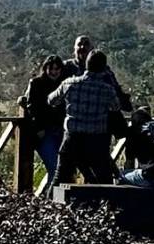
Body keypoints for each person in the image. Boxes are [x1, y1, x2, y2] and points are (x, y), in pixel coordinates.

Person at [47, 49, 119, 184]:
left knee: (60, 176)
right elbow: (115, 107)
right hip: (96, 140)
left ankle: (49, 198)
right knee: (104, 179)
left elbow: (51, 100)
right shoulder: (107, 90)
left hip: (72, 138)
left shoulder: (70, 83)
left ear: (87, 64)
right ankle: (103, 198)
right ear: (103, 68)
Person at [18, 55, 66, 183]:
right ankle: (51, 194)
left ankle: (51, 193)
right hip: (44, 132)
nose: (54, 72)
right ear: (45, 69)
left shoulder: (65, 84)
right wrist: (39, 128)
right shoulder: (36, 83)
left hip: (61, 131)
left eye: (57, 69)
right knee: (54, 166)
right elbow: (32, 108)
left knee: (62, 168)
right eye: (51, 69)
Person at [63, 34, 132, 112]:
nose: (82, 47)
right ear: (74, 48)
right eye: (79, 44)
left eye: (86, 44)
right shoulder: (66, 67)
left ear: (92, 49)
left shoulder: (103, 69)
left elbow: (115, 89)